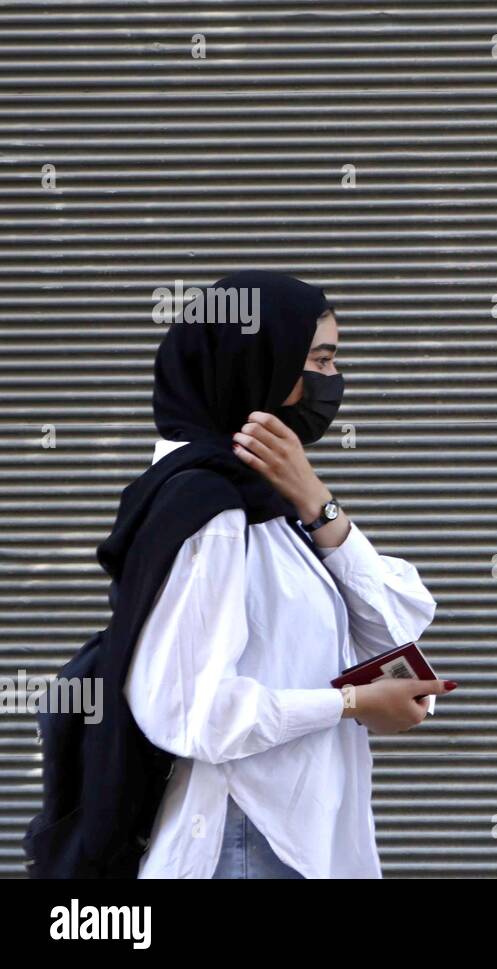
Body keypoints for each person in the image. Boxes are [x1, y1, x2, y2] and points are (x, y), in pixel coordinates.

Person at [121, 270, 454, 878]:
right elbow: (195, 712)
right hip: (246, 837)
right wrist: (351, 702)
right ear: (258, 364)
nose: (333, 380)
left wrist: (318, 504)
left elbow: (394, 631)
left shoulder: (270, 504)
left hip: (289, 833)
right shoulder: (211, 513)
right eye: (319, 359)